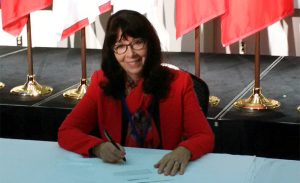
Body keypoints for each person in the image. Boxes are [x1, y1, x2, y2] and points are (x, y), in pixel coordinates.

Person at [58, 9, 214, 176]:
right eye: (121, 46)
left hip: (164, 173)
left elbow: (204, 136)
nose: (131, 54)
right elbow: (67, 131)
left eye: (138, 43)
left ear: (150, 44)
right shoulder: (101, 82)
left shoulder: (179, 82)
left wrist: (185, 150)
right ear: (112, 52)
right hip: (117, 172)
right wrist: (98, 148)